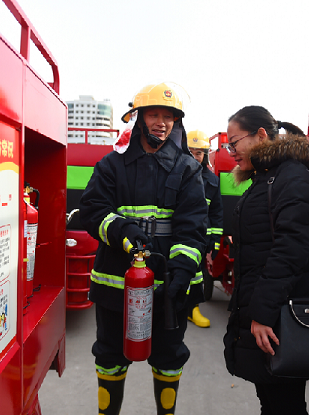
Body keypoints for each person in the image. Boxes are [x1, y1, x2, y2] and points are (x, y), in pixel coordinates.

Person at [79, 82, 208, 415]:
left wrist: (182, 271)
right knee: (110, 358)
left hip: (170, 289)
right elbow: (93, 210)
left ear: (176, 123)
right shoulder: (112, 165)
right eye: (154, 114)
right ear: (138, 118)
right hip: (116, 286)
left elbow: (192, 226)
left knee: (169, 359)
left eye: (169, 116)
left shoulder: (188, 169)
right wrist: (125, 231)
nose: (161, 122)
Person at [222, 106, 309, 414]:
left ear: (261, 135)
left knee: (285, 403)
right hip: (265, 308)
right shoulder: (266, 176)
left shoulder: (290, 175)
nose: (231, 151)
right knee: (272, 399)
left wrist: (263, 314)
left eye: (234, 142)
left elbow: (291, 248)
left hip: (279, 314)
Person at [186, 130, 224, 328]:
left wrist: (215, 240)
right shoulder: (172, 174)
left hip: (199, 238)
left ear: (205, 155)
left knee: (196, 274)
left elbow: (216, 213)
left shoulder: (212, 181)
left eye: (199, 152)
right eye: (190, 151)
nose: (194, 156)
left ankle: (193, 309)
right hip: (174, 236)